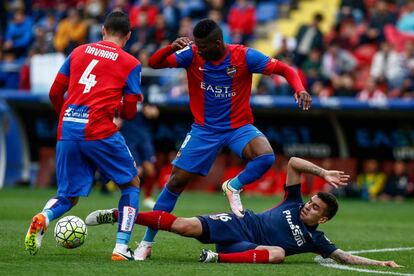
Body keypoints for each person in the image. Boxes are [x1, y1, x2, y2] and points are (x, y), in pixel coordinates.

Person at [133, 18, 312, 260]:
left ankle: (233, 185)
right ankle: (146, 242)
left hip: (238, 127)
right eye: (197, 46)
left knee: (265, 156)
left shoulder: (244, 56)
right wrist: (171, 48)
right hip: (204, 130)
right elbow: (154, 62)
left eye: (203, 47)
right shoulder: (192, 54)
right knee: (175, 183)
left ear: (218, 42)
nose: (199, 50)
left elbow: (286, 69)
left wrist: (299, 88)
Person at [85, 157, 400, 267]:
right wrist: (322, 173)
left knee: (276, 253)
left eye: (315, 207)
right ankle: (118, 214)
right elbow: (292, 163)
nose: (308, 206)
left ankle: (216, 259)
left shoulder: (316, 240)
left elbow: (344, 257)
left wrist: (380, 262)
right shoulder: (292, 201)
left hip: (246, 249)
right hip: (239, 224)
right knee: (181, 226)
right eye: (310, 201)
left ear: (323, 219)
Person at [24, 11, 143, 261]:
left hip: (68, 128)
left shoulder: (78, 51)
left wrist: (66, 116)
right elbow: (131, 111)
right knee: (131, 184)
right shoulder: (131, 63)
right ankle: (121, 247)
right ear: (128, 36)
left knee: (68, 195)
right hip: (100, 130)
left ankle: (43, 217)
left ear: (102, 30)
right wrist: (120, 106)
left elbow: (56, 91)